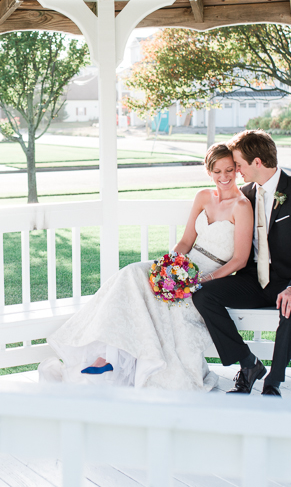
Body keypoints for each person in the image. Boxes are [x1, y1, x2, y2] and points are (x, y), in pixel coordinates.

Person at [39, 144, 254, 390]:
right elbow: (186, 241)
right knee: (132, 275)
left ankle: (117, 360)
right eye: (217, 171)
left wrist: (204, 279)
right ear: (209, 171)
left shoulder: (242, 206)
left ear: (237, 170)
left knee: (156, 304)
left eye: (229, 170)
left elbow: (240, 260)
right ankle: (108, 357)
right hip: (181, 267)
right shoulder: (204, 197)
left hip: (209, 276)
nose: (224, 177)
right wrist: (167, 266)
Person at [192, 130, 291, 397]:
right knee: (203, 296)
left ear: (257, 162)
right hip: (254, 280)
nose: (236, 170)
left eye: (238, 165)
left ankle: (274, 381)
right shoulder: (244, 194)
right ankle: (248, 363)